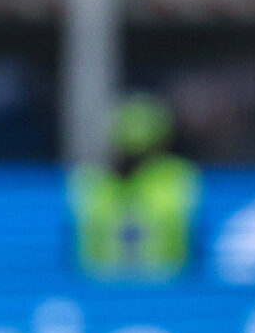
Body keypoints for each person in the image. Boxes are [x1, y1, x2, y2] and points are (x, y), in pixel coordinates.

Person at [72, 96, 199, 280]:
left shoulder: (176, 177)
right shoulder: (92, 182)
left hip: (167, 284)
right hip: (103, 287)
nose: (133, 163)